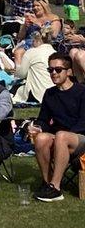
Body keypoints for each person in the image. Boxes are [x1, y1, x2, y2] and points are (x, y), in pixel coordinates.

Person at [28, 52, 85, 202]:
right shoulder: (50, 93)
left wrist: (61, 137)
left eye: (58, 69)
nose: (53, 73)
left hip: (80, 138)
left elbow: (83, 122)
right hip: (61, 138)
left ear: (69, 72)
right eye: (50, 70)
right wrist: (38, 127)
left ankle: (56, 187)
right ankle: (47, 183)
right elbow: (44, 120)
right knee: (41, 138)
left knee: (61, 135)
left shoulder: (81, 92)